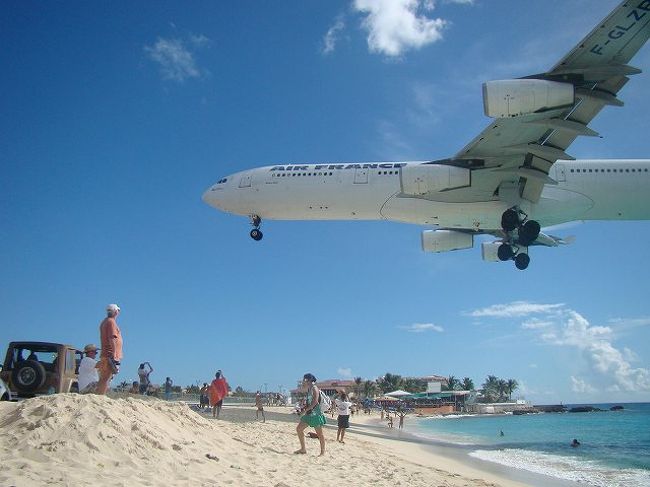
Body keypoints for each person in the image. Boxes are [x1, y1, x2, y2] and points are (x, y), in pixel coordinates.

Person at [295, 373, 326, 456]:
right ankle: (303, 449)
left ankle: (322, 452)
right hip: (309, 414)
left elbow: (315, 401)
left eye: (304, 379)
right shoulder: (309, 389)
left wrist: (305, 411)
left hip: (315, 414)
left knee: (320, 434)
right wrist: (303, 408)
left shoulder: (314, 388)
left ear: (308, 380)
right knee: (299, 429)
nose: (303, 381)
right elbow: (309, 402)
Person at [96, 303, 123, 395]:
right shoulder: (111, 322)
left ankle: (99, 395)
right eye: (118, 311)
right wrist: (114, 354)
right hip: (109, 353)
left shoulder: (105, 321)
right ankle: (100, 396)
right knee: (106, 377)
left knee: (105, 377)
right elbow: (112, 338)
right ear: (116, 312)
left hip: (106, 353)